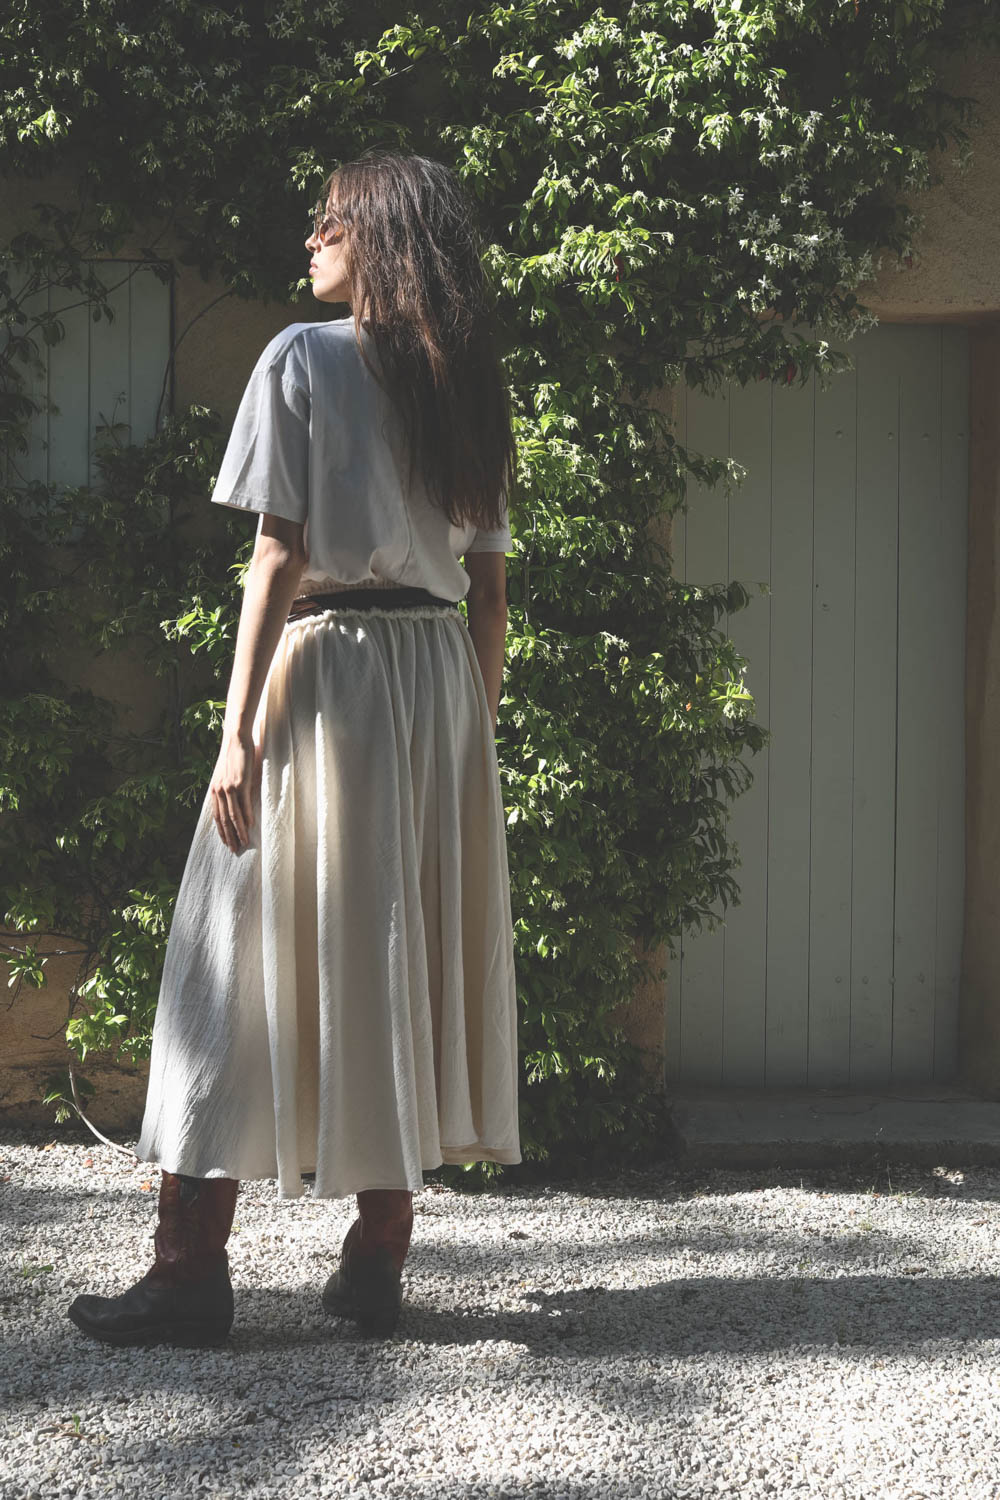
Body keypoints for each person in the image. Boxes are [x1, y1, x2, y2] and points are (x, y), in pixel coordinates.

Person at [66, 149, 522, 1346]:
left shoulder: (300, 359)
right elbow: (490, 598)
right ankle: (377, 1258)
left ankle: (186, 1276)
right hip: (435, 692)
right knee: (398, 946)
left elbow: (277, 556)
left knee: (228, 950)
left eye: (324, 224)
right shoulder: (469, 381)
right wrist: (462, 746)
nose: (307, 244)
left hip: (325, 675)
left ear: (372, 235)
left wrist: (236, 733)